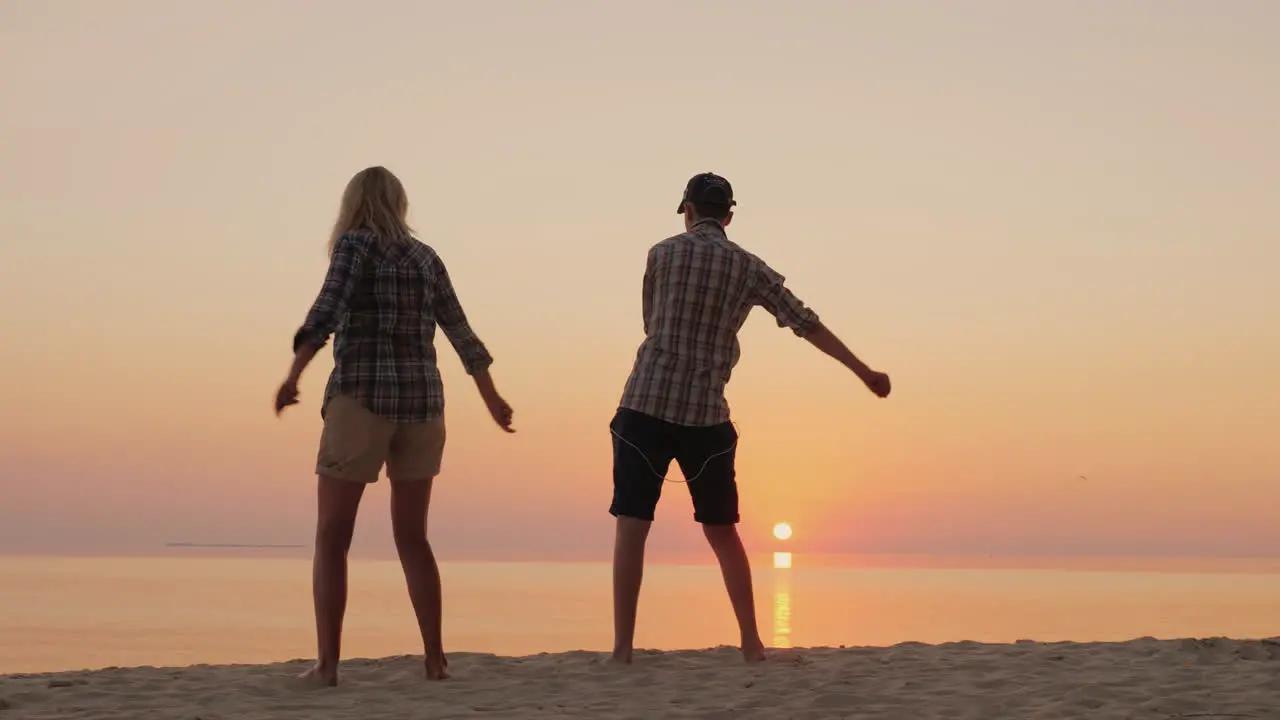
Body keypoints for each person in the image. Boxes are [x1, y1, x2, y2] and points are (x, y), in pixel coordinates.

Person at [608, 172, 891, 664]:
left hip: (645, 405)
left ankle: (623, 652)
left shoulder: (661, 253)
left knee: (632, 526)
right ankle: (752, 645)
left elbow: (651, 322)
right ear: (730, 217)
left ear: (688, 211)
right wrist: (862, 370)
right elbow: (805, 322)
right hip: (706, 415)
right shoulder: (749, 267)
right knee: (722, 532)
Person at [274, 166, 515, 685]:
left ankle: (328, 667)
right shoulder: (426, 258)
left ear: (352, 203)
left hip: (362, 400)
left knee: (332, 537)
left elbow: (327, 310)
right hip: (425, 408)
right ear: (400, 204)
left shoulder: (354, 246)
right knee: (413, 538)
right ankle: (435, 661)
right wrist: (491, 397)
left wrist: (294, 372)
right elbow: (461, 331)